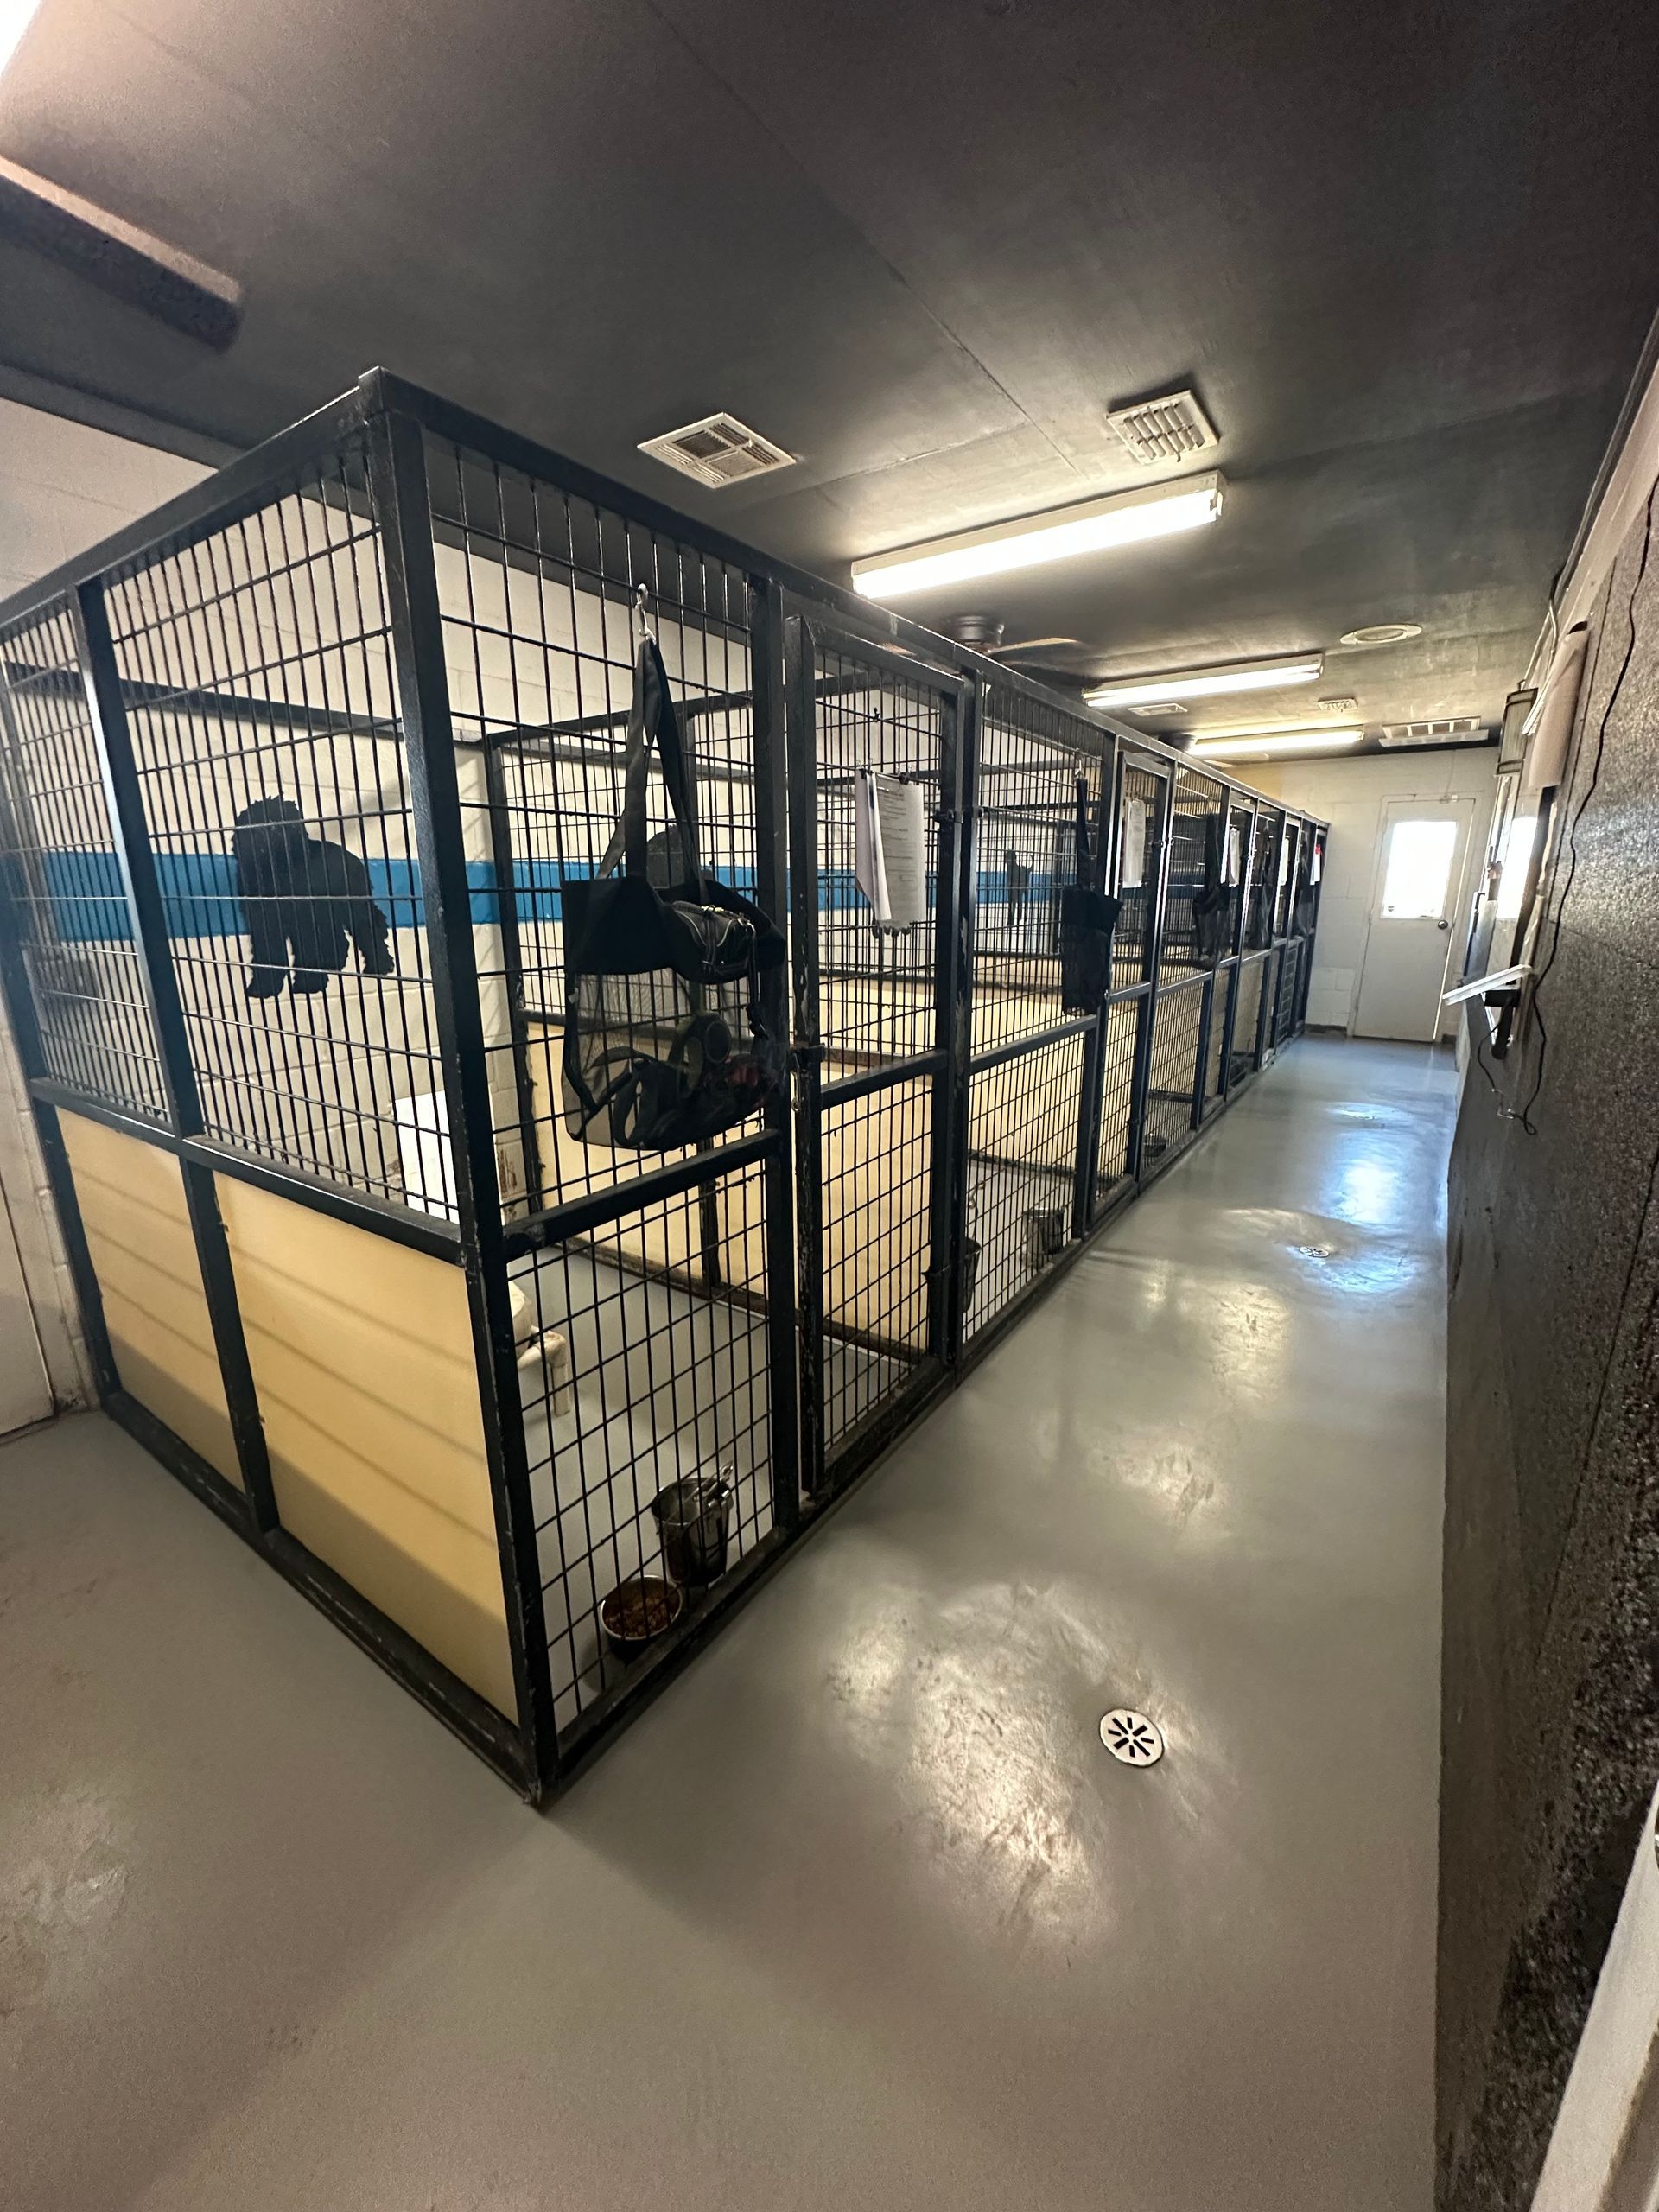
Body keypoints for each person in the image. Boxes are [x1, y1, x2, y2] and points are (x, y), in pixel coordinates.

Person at [1006, 849, 1030, 935]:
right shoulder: (1010, 868)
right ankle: (1014, 920)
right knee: (1014, 903)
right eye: (1006, 858)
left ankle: (1014, 920)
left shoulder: (1014, 868)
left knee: (1014, 903)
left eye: (1008, 858)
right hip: (1015, 888)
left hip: (1017, 888)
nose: (1006, 861)